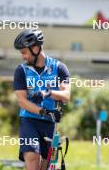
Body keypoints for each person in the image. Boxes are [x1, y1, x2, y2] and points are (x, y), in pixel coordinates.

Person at [13, 29, 70, 170]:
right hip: (29, 121)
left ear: (36, 48)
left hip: (50, 124)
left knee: (47, 165)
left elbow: (66, 96)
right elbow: (22, 101)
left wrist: (49, 93)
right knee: (32, 159)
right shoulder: (21, 70)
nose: (22, 56)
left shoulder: (59, 68)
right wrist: (43, 112)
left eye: (24, 52)